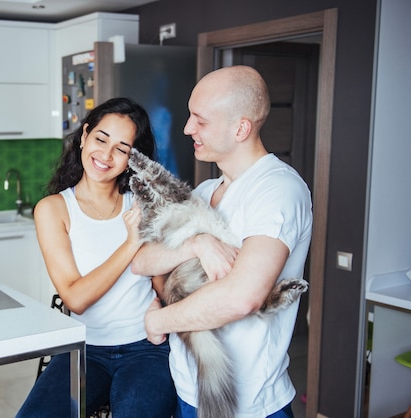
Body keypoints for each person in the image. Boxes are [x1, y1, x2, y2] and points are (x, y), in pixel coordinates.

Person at [132, 66, 313, 418]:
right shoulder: (206, 191)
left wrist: (160, 322)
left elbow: (242, 297)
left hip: (250, 404)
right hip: (191, 388)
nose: (187, 128)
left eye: (200, 120)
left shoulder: (277, 190)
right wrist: (195, 244)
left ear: (241, 128)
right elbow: (142, 260)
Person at [16, 97, 176, 418]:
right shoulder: (54, 209)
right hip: (84, 350)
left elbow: (162, 286)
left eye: (121, 148)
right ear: (85, 135)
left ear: (133, 158)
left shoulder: (142, 205)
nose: (105, 154)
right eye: (101, 139)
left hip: (146, 349)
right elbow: (75, 298)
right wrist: (131, 243)